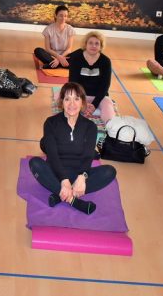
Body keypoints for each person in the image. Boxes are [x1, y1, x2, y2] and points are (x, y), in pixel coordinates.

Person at [29, 82, 116, 214]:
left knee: (110, 171)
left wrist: (82, 177)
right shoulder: (51, 123)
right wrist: (64, 180)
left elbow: (88, 156)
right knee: (35, 163)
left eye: (76, 99)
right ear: (61, 102)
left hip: (78, 173)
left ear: (82, 102)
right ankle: (73, 200)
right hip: (56, 172)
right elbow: (52, 156)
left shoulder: (90, 127)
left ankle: (60, 195)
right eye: (67, 99)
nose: (72, 104)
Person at [68, 31, 114, 122]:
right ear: (85, 44)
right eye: (91, 43)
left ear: (101, 46)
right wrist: (82, 102)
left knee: (109, 114)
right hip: (79, 95)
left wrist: (94, 104)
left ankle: (96, 113)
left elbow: (105, 85)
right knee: (68, 109)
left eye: (97, 44)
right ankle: (87, 111)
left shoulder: (105, 61)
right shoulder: (76, 58)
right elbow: (73, 82)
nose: (93, 46)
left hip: (99, 96)